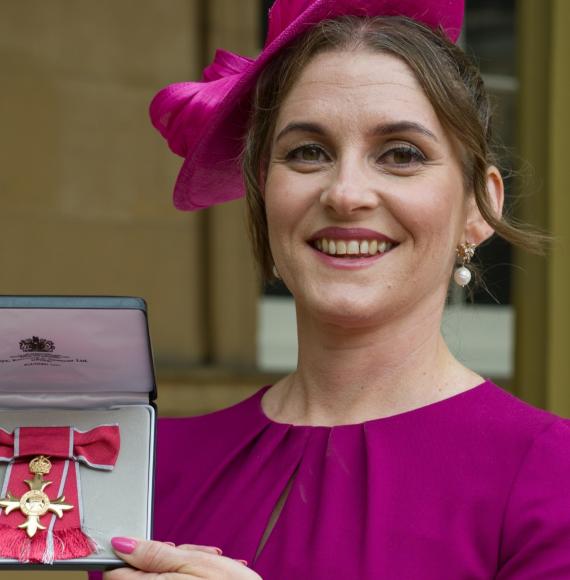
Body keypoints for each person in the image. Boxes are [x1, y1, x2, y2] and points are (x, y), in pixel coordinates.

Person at [102, 0, 570, 578]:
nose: (345, 193)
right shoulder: (151, 467)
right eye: (308, 152)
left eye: (401, 154)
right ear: (264, 195)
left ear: (480, 207)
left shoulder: (551, 475)